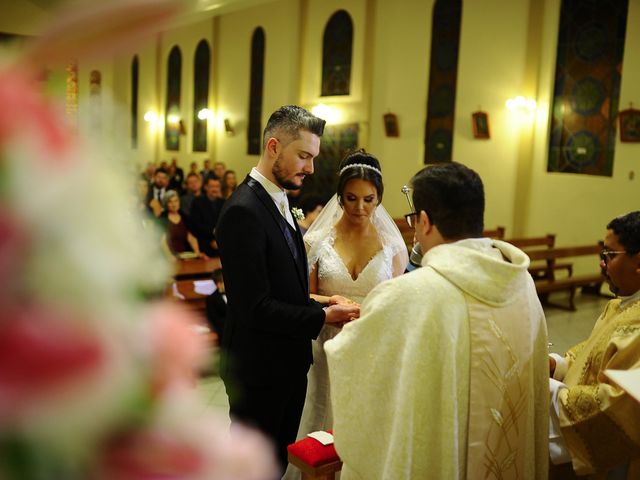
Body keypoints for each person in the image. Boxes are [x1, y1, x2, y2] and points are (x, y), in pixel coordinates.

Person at [325, 162, 549, 480]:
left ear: (425, 221)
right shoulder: (519, 282)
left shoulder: (411, 293)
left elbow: (352, 362)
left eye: (415, 221)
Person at [215, 105, 360, 475]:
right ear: (274, 146)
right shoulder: (242, 211)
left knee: (276, 461)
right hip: (257, 369)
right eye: (304, 156)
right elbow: (255, 307)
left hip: (287, 363)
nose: (310, 168)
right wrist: (323, 316)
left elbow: (284, 284)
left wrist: (324, 298)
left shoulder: (279, 200)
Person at [284, 151, 409, 480]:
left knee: (365, 424)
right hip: (327, 342)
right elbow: (302, 296)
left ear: (379, 198)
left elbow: (398, 298)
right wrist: (330, 302)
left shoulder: (391, 245)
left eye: (369, 199)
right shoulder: (317, 240)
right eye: (351, 198)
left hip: (373, 343)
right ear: (339, 197)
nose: (360, 208)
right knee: (324, 416)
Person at [548, 211, 640, 480]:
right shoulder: (620, 304)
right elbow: (593, 351)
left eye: (610, 255)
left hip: (619, 463)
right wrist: (558, 365)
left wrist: (553, 392)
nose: (602, 263)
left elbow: (624, 403)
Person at [159, 190, 203, 260]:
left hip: (184, 255)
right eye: (170, 202)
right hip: (167, 258)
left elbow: (191, 238)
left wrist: (197, 252)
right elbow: (162, 241)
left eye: (176, 201)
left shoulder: (185, 217)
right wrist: (169, 256)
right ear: (166, 204)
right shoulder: (162, 219)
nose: (174, 204)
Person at [190, 177, 225, 257]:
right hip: (203, 245)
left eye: (217, 186)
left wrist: (218, 241)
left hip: (221, 245)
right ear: (206, 187)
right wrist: (212, 236)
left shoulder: (223, 202)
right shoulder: (197, 202)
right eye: (212, 186)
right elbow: (195, 225)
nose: (215, 189)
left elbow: (227, 224)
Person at [206, 268, 227, 343]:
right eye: (217, 283)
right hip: (223, 329)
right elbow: (213, 318)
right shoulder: (211, 299)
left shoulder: (234, 295)